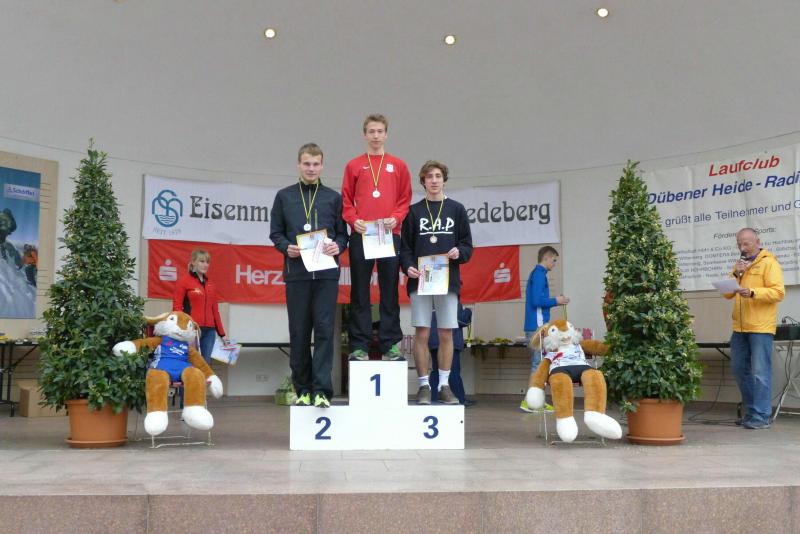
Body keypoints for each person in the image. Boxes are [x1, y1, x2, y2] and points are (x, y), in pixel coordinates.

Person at [270, 143, 348, 408]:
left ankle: (322, 391)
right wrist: (285, 247)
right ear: (299, 164)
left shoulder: (333, 198)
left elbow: (343, 234)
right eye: (307, 164)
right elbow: (275, 233)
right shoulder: (284, 196)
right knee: (299, 332)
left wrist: (338, 246)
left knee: (325, 332)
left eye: (316, 164)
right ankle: (302, 389)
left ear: (322, 165)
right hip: (297, 274)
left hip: (326, 275)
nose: (311, 168)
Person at [401, 160, 473, 405]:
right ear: (423, 181)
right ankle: (424, 386)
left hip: (447, 280)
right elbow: (405, 248)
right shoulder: (413, 212)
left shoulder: (457, 209)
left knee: (446, 332)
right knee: (421, 332)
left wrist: (459, 252)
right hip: (420, 281)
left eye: (438, 176)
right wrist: (407, 266)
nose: (434, 180)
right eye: (429, 176)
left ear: (444, 180)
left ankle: (444, 385)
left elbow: (467, 246)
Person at [341, 114, 412, 362]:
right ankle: (359, 346)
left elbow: (405, 198)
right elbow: (346, 200)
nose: (375, 136)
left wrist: (397, 217)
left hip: (388, 234)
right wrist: (354, 220)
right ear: (365, 134)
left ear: (386, 134)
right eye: (371, 131)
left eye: (380, 131)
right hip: (362, 234)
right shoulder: (353, 165)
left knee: (389, 290)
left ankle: (390, 345)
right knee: (359, 292)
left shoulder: (398, 165)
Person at [724, 227, 785, 429]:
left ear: (757, 242)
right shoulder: (739, 265)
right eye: (739, 244)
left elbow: (778, 292)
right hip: (739, 327)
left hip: (760, 327)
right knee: (739, 370)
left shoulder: (769, 263)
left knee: (760, 372)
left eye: (746, 243)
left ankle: (761, 416)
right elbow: (727, 293)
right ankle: (751, 413)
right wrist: (737, 273)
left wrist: (752, 292)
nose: (742, 247)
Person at [520, 246, 569, 412]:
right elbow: (536, 301)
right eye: (554, 260)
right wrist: (556, 300)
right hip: (537, 326)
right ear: (546, 258)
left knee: (539, 365)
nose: (554, 264)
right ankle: (531, 403)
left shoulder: (537, 274)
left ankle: (536, 401)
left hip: (537, 325)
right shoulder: (539, 275)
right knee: (538, 365)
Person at [172, 248, 228, 364]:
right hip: (192, 330)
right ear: (193, 262)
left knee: (205, 364)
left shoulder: (210, 284)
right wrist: (182, 329)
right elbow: (177, 308)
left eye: (207, 262)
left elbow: (215, 312)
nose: (205, 265)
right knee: (191, 363)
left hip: (209, 332)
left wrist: (222, 335)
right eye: (202, 261)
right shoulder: (184, 281)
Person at [429, 303, 473, 405]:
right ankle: (460, 399)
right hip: (450, 342)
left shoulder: (431, 302)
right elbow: (461, 321)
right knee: (453, 372)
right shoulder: (452, 300)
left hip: (433, 341)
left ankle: (434, 398)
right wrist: (468, 311)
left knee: (436, 371)